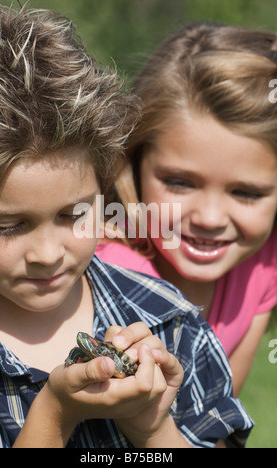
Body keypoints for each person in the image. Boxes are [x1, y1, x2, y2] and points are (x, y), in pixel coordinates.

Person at [0, 2, 253, 448]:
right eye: (9, 226)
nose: (48, 253)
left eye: (74, 215)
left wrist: (152, 426)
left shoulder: (168, 320)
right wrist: (54, 415)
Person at [96, 22, 277, 397]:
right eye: (179, 182)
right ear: (133, 163)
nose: (209, 218)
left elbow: (221, 423)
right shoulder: (107, 270)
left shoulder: (263, 266)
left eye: (246, 192)